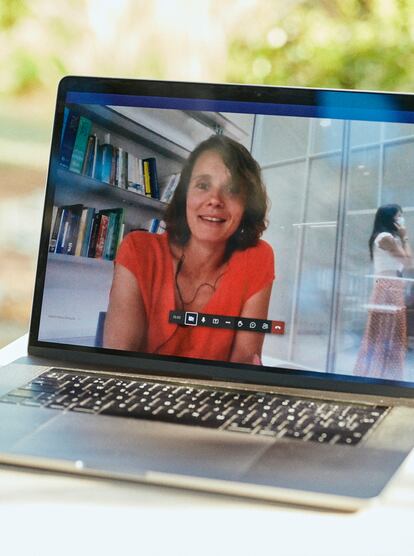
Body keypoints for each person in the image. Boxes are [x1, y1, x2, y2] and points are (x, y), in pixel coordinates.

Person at [103, 135, 275, 364]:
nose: (215, 200)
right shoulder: (138, 250)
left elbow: (242, 367)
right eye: (203, 185)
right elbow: (118, 366)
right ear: (185, 195)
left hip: (216, 398)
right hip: (139, 396)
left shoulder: (257, 258)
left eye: (232, 189)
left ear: (247, 205)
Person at [354, 204, 412, 379]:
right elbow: (410, 262)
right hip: (388, 287)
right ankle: (379, 373)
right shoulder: (385, 237)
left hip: (391, 286)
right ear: (390, 218)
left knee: (387, 332)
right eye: (399, 215)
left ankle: (383, 373)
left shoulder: (387, 237)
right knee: (386, 332)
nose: (401, 219)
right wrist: (405, 237)